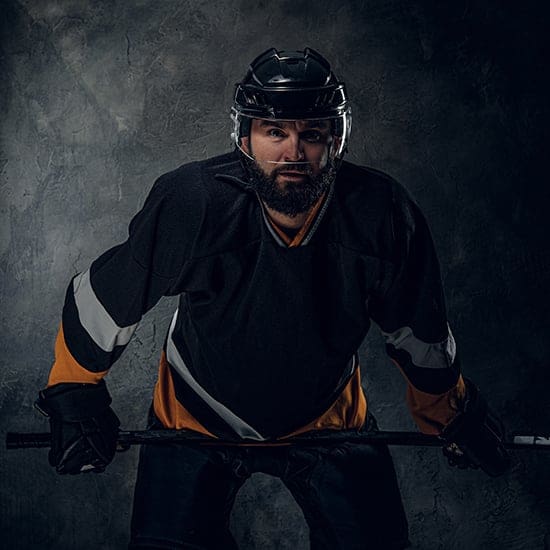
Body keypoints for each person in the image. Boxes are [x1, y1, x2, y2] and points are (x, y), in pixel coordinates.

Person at [35, 48, 509, 549]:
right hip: (196, 418)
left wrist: (451, 413)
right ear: (245, 137)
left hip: (329, 419)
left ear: (336, 139)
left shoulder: (383, 212)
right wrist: (74, 392)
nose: (292, 152)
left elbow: (418, 330)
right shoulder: (192, 203)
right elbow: (107, 297)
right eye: (274, 132)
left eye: (312, 134)